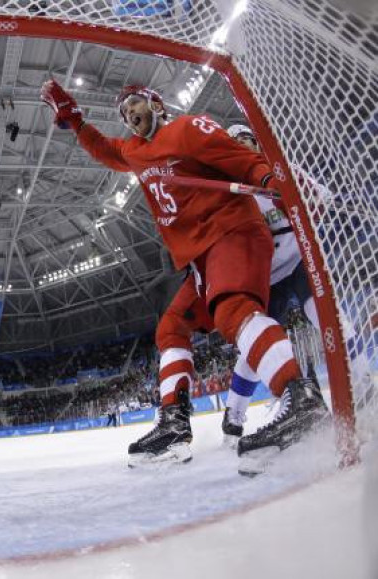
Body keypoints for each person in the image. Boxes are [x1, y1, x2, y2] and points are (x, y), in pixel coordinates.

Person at [41, 80, 328, 475]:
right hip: (199, 258)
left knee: (234, 312)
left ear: (157, 105)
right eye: (124, 112)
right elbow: (104, 149)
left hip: (232, 232)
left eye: (135, 104)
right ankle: (174, 424)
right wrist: (73, 120)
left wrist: (269, 182)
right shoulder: (136, 151)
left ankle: (301, 399)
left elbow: (240, 158)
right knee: (170, 327)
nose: (129, 115)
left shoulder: (188, 128)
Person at [220, 124, 321, 446]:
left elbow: (319, 196)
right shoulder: (228, 189)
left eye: (245, 140)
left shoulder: (280, 169)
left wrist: (308, 199)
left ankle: (361, 384)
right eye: (234, 144)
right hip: (267, 276)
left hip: (299, 258)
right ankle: (233, 415)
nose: (241, 147)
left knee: (324, 314)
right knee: (256, 346)